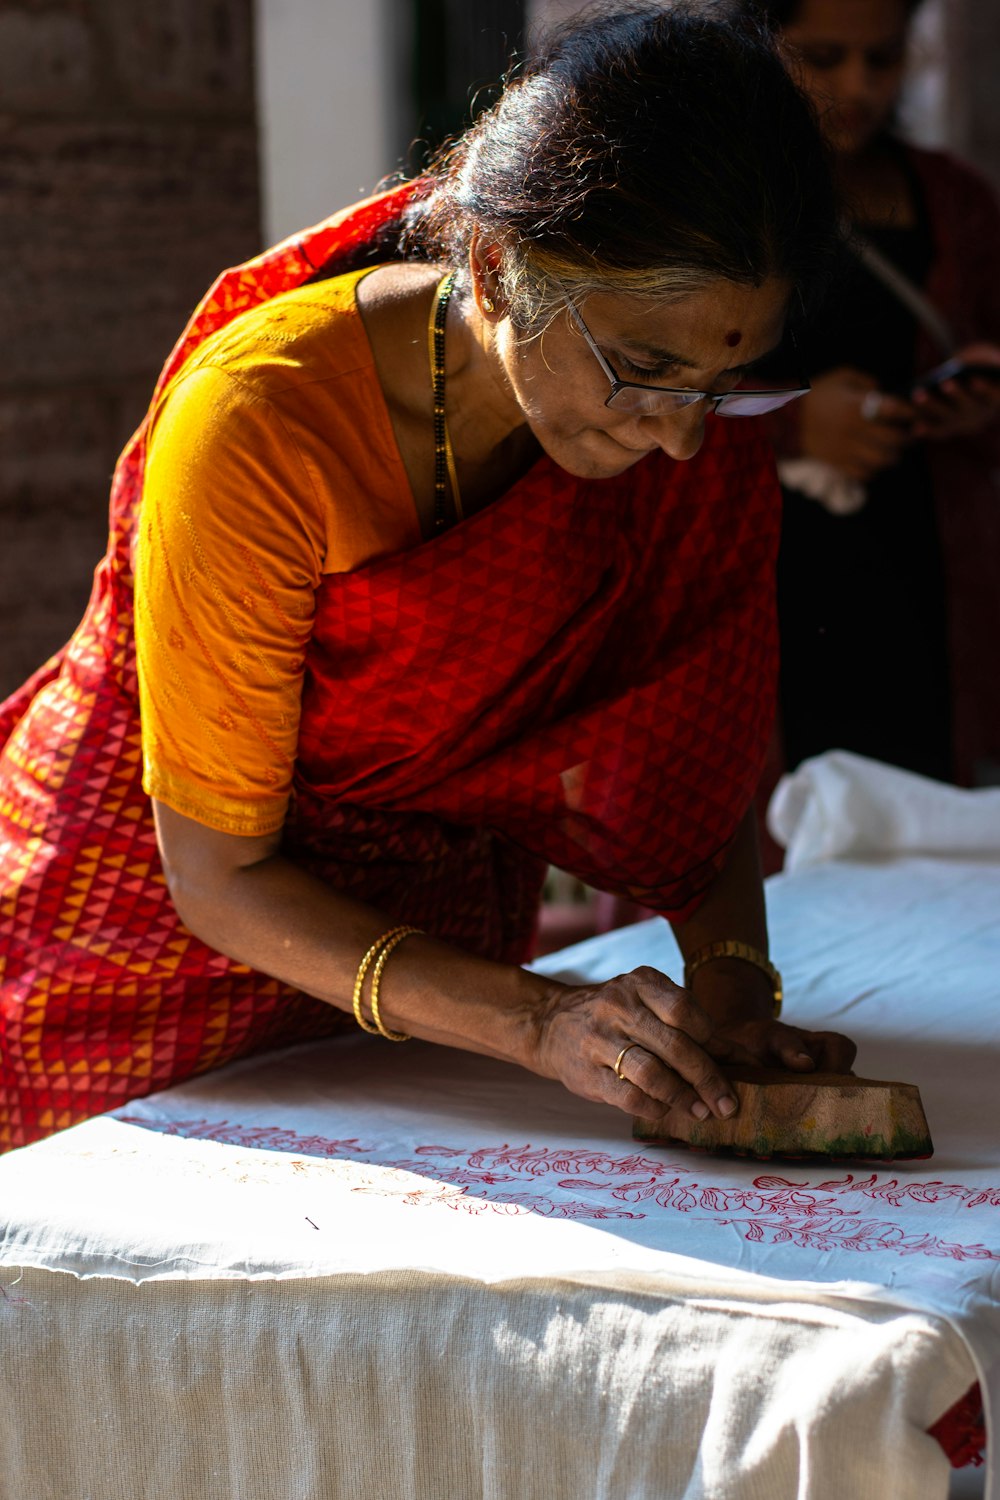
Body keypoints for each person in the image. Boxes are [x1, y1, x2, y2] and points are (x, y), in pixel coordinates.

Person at [0, 3, 856, 1156]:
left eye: (726, 385)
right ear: (501, 267)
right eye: (640, 374)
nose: (685, 442)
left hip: (432, 991)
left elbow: (689, 770)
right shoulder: (264, 421)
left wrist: (736, 1004)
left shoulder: (676, 410)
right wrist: (541, 1019)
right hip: (139, 961)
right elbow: (217, 874)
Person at [744, 0, 1000, 792]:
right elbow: (612, 400)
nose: (858, 85)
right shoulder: (705, 198)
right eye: (822, 58)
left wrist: (980, 403)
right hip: (757, 593)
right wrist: (790, 425)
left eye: (883, 59)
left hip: (921, 592)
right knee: (761, 862)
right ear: (755, 45)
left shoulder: (953, 199)